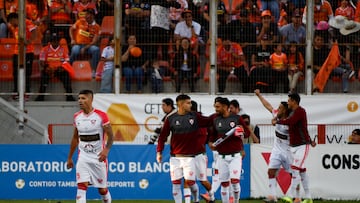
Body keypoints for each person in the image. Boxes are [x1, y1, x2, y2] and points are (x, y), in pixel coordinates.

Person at [156, 94, 211, 203]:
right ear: (180, 104)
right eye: (188, 102)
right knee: (176, 183)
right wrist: (159, 152)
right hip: (175, 158)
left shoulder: (194, 116)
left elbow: (209, 121)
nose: (190, 105)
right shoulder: (171, 118)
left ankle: (195, 199)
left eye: (190, 103)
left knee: (190, 182)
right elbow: (162, 137)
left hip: (190, 157)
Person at [66, 89, 114, 203]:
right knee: (81, 187)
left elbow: (111, 136)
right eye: (79, 98)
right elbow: (75, 138)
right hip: (83, 157)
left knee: (102, 190)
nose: (80, 101)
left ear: (91, 99)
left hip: (98, 158)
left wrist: (106, 150)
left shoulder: (101, 115)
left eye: (83, 98)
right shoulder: (77, 116)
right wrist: (69, 158)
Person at [208, 97, 259, 203]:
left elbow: (247, 134)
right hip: (221, 157)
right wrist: (210, 143)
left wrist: (240, 132)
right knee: (224, 184)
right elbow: (212, 136)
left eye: (217, 106)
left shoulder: (237, 118)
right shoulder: (215, 120)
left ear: (225, 107)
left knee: (235, 182)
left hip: (235, 156)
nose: (215, 108)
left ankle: (236, 201)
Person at [273, 93, 316, 203]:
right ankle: (308, 197)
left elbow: (290, 122)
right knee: (302, 171)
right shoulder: (292, 112)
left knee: (295, 168)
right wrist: (311, 140)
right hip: (294, 146)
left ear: (294, 101)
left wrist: (277, 121)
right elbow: (304, 128)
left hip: (302, 145)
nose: (288, 102)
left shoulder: (300, 111)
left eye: (289, 100)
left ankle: (290, 195)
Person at [255, 89, 295, 203]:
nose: (278, 110)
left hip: (288, 152)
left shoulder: (289, 122)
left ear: (286, 110)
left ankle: (295, 197)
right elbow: (267, 105)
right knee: (271, 171)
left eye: (280, 108)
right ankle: (272, 196)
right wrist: (259, 95)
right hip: (277, 150)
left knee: (294, 175)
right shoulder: (277, 115)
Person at [184, 100, 215, 203]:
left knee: (203, 181)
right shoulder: (186, 119)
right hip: (188, 155)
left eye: (187, 105)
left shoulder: (200, 120)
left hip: (199, 154)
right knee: (187, 180)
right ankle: (194, 200)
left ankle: (212, 198)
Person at [35, 32, 75, 101]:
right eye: (53, 41)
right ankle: (40, 97)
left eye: (56, 41)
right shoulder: (45, 49)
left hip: (60, 69)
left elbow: (67, 61)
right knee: (44, 77)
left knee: (66, 77)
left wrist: (62, 68)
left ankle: (69, 96)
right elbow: (41, 62)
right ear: (50, 41)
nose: (55, 42)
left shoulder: (63, 50)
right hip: (49, 69)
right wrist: (46, 67)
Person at [7, 12, 37, 101]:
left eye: (11, 22)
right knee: (15, 72)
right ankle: (16, 92)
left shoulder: (27, 22)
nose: (11, 24)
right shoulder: (14, 27)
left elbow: (34, 31)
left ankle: (26, 92)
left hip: (28, 51)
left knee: (27, 72)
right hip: (17, 51)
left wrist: (29, 41)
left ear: (14, 19)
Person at [69, 8, 101, 77]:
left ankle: (94, 71)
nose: (86, 16)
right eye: (86, 14)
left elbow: (94, 41)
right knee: (75, 50)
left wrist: (85, 48)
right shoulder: (80, 21)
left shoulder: (97, 27)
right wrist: (72, 39)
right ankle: (70, 68)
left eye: (88, 15)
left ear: (92, 16)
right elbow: (71, 29)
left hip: (89, 46)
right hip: (78, 44)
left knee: (96, 49)